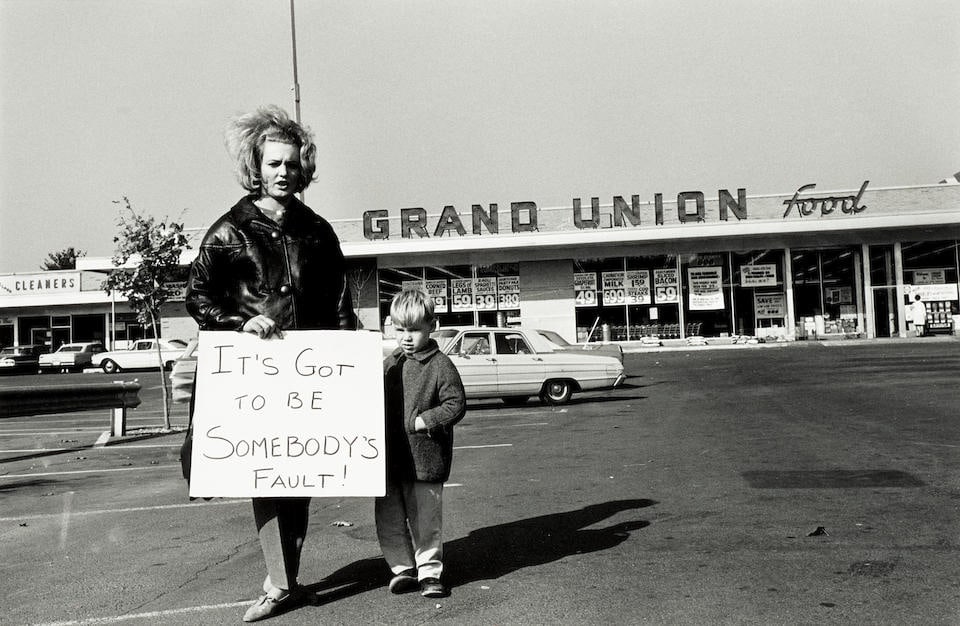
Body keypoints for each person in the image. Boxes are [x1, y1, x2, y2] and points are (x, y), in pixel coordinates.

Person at [185, 105, 356, 622]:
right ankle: (280, 582)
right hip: (257, 377)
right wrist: (240, 323)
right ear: (256, 168)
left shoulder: (319, 231)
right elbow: (196, 296)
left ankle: (286, 579)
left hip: (312, 376)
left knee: (301, 476)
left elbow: (341, 305)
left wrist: (349, 358)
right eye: (274, 163)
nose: (284, 171)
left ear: (303, 167)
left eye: (292, 162)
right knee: (266, 474)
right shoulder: (229, 229)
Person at [377, 290, 466, 599]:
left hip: (425, 460)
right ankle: (402, 569)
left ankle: (429, 572)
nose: (406, 337)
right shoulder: (390, 364)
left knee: (425, 519)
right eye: (400, 329)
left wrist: (424, 421)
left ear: (432, 326)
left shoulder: (440, 365)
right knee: (388, 517)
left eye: (414, 329)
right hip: (389, 460)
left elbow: (455, 404)